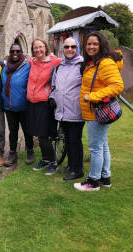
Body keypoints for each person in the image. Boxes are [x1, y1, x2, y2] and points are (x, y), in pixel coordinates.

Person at [74, 31, 124, 191]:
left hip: (97, 111)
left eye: (95, 44)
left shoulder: (105, 63)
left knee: (95, 147)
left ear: (101, 45)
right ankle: (105, 177)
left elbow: (117, 86)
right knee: (102, 145)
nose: (91, 46)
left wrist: (93, 96)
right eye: (89, 44)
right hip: (93, 112)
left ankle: (93, 181)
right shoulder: (94, 62)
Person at [49, 37, 85, 181]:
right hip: (61, 111)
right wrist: (52, 97)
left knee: (75, 140)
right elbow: (54, 86)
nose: (69, 49)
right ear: (62, 49)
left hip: (75, 110)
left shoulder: (82, 65)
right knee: (68, 141)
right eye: (67, 47)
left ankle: (78, 169)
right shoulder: (59, 66)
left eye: (73, 47)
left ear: (78, 49)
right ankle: (70, 165)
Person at [27, 38, 61, 175]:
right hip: (32, 103)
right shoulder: (32, 62)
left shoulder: (54, 61)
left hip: (45, 103)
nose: (38, 50)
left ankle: (53, 162)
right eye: (35, 48)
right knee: (38, 134)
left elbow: (70, 61)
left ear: (46, 48)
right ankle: (46, 159)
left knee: (43, 135)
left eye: (40, 47)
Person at [1, 43, 34, 166]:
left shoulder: (27, 65)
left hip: (23, 106)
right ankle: (12, 152)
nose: (15, 54)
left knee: (27, 130)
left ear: (22, 52)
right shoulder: (4, 66)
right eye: (13, 51)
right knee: (13, 131)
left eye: (18, 51)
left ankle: (30, 151)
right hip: (9, 106)